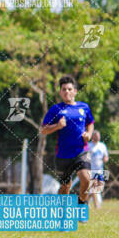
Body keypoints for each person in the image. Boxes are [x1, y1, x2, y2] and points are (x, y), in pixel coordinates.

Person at [41, 75, 94, 215]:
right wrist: (57, 126)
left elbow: (90, 123)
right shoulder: (55, 109)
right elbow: (44, 130)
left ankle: (82, 203)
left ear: (75, 91)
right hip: (63, 154)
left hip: (81, 151)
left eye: (70, 89)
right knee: (65, 187)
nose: (67, 92)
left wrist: (88, 134)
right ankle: (63, 214)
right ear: (60, 92)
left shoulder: (84, 107)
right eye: (64, 89)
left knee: (86, 179)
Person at [88, 130, 109, 208]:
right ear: (93, 136)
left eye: (99, 136)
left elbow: (106, 156)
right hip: (91, 170)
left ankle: (85, 200)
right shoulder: (89, 145)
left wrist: (105, 159)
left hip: (100, 170)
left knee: (99, 187)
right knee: (94, 187)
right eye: (96, 135)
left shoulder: (102, 145)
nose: (98, 137)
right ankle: (97, 205)